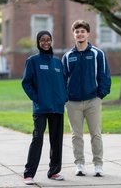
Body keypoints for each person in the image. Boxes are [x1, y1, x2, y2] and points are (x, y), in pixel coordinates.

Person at [62, 20, 111, 177]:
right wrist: (66, 98)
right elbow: (63, 79)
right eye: (77, 31)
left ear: (88, 33)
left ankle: (98, 165)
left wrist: (100, 95)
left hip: (92, 101)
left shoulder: (97, 54)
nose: (80, 34)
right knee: (76, 135)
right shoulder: (68, 56)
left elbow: (104, 75)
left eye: (83, 31)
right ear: (73, 34)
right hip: (73, 102)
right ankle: (80, 164)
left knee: (95, 134)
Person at [22, 30, 67, 185]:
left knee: (56, 140)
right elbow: (26, 82)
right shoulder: (32, 61)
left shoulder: (57, 62)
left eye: (48, 40)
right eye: (42, 40)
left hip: (57, 107)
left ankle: (54, 171)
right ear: (38, 42)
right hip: (41, 107)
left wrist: (63, 97)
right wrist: (36, 99)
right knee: (38, 138)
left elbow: (64, 82)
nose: (46, 42)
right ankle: (28, 174)